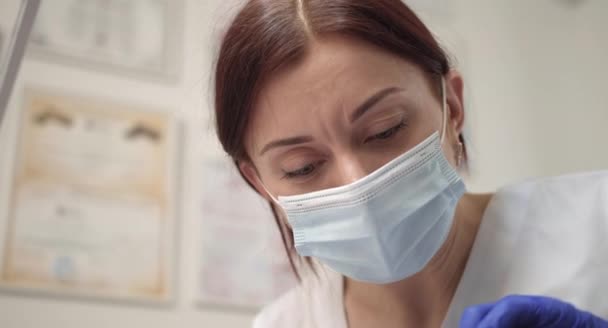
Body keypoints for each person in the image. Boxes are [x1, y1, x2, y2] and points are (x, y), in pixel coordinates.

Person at [212, 0, 608, 327]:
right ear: (260, 183)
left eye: (385, 130)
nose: (357, 184)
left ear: (452, 108)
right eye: (303, 167)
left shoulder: (594, 226)